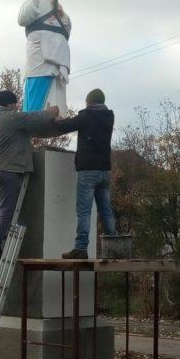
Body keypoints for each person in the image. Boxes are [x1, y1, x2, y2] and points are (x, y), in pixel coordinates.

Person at [0, 89, 66, 260]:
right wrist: (51, 112)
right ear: (11, 104)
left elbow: (24, 127)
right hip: (9, 170)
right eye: (15, 105)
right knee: (6, 212)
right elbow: (33, 118)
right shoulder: (12, 117)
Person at [52, 88, 119, 259]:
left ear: (89, 102)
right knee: (106, 210)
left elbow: (66, 126)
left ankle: (81, 248)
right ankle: (115, 246)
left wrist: (55, 119)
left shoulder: (86, 116)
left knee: (84, 211)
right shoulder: (109, 117)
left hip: (88, 170)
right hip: (105, 170)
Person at [18, 0, 71, 113]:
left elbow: (66, 28)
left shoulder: (57, 5)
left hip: (58, 53)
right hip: (39, 52)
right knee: (38, 81)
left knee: (56, 84)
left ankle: (57, 114)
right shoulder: (32, 2)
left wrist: (63, 15)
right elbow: (22, 19)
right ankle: (35, 113)